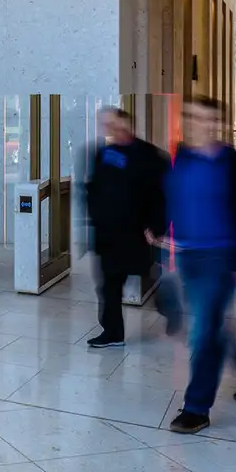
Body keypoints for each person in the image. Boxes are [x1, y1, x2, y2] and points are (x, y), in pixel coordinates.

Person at [166, 96, 236, 434]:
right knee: (213, 326)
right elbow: (169, 201)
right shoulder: (179, 159)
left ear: (218, 124)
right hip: (188, 256)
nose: (204, 124)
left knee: (203, 332)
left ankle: (197, 408)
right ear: (186, 121)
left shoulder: (231, 162)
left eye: (211, 119)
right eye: (196, 117)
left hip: (222, 256)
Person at [84, 107, 178, 348]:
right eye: (109, 126)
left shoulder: (152, 157)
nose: (113, 131)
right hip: (109, 236)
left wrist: (156, 228)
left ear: (129, 126)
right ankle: (113, 333)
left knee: (149, 275)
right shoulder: (102, 154)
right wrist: (95, 219)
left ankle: (168, 305)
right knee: (108, 286)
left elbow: (163, 197)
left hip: (139, 235)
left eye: (117, 126)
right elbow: (93, 190)